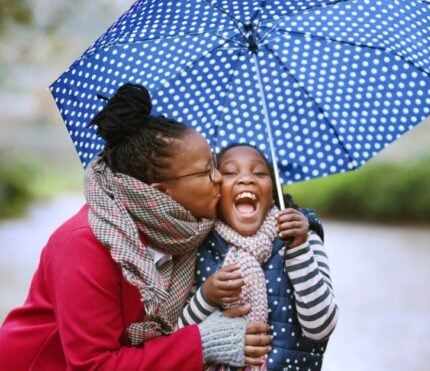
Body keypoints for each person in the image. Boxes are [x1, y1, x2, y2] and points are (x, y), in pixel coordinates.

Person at [0, 84, 271, 370]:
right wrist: (202, 342)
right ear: (161, 192)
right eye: (207, 171)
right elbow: (95, 365)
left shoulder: (184, 228)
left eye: (216, 165)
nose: (219, 179)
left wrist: (302, 228)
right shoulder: (84, 245)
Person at [178, 144, 338, 370]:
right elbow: (178, 341)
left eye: (260, 173)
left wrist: (299, 249)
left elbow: (321, 328)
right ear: (216, 191)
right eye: (231, 172)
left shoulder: (304, 238)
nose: (246, 179)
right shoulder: (198, 246)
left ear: (273, 191)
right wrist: (206, 296)